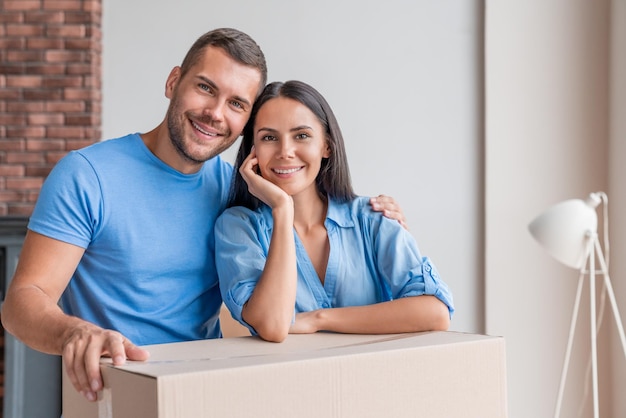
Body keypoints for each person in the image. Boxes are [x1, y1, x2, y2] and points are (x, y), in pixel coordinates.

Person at [0, 29, 406, 402]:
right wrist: (76, 331)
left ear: (246, 121)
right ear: (174, 82)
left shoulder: (237, 193)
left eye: (236, 104)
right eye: (205, 88)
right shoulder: (87, 175)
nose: (215, 112)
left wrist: (378, 218)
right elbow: (22, 302)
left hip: (204, 393)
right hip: (114, 392)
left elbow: (310, 238)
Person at [215, 80, 454, 343]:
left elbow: (435, 313)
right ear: (253, 150)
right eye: (269, 137)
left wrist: (320, 319)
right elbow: (272, 326)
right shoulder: (238, 227)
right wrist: (282, 209)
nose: (285, 152)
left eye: (301, 135)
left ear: (326, 146)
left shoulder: (372, 218)